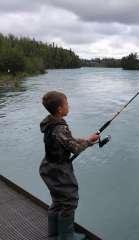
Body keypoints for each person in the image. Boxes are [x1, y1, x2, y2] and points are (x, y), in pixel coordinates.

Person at [39, 91, 100, 240]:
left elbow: (67, 141)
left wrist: (87, 140)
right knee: (69, 201)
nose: (68, 106)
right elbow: (74, 148)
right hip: (58, 171)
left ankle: (54, 234)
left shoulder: (50, 122)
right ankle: (67, 236)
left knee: (58, 200)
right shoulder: (60, 128)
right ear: (60, 109)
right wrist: (86, 143)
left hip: (48, 166)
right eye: (67, 104)